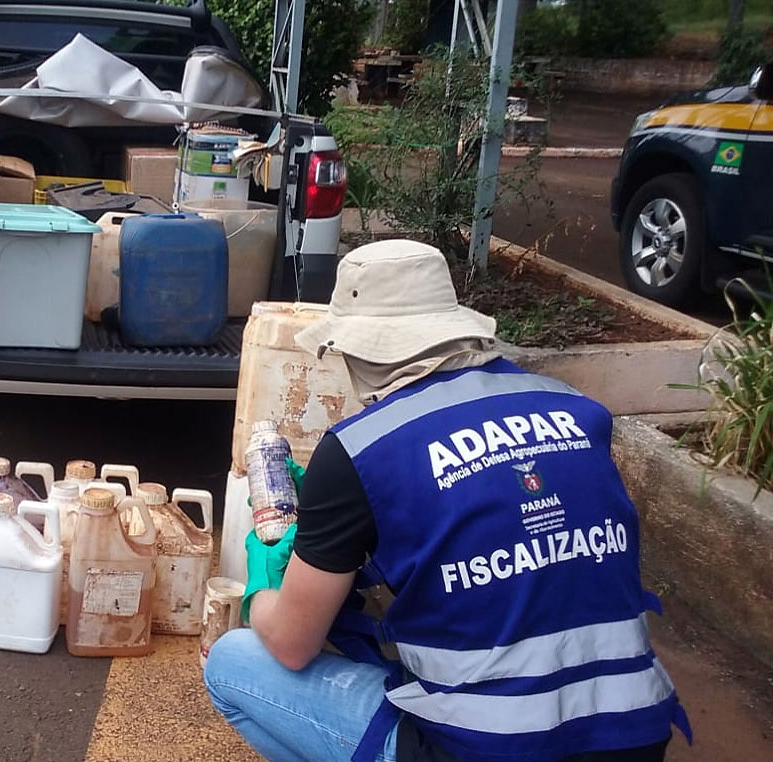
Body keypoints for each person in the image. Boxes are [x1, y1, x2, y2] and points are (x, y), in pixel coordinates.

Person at [203, 240, 690, 762]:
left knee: (233, 662)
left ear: (360, 350)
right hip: (634, 736)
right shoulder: (577, 409)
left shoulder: (361, 449)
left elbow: (293, 644)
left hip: (484, 749)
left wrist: (261, 587)